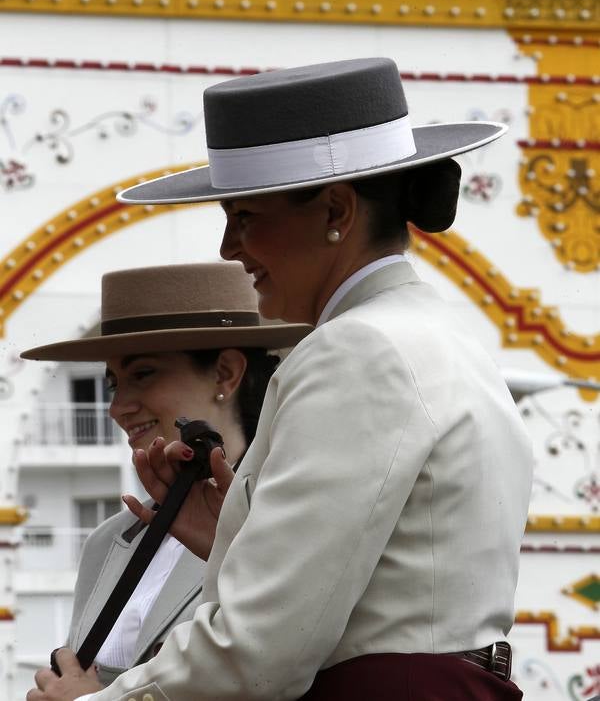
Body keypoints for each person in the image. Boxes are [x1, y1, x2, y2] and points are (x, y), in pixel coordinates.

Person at [27, 57, 533, 701]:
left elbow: (259, 654)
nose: (229, 248)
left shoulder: (355, 350)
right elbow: (405, 584)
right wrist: (239, 540)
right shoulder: (437, 332)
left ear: (336, 210)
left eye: (245, 216)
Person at [21, 261, 310, 688]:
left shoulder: (289, 520)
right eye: (114, 383)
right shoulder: (108, 542)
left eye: (143, 373)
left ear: (226, 373)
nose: (118, 408)